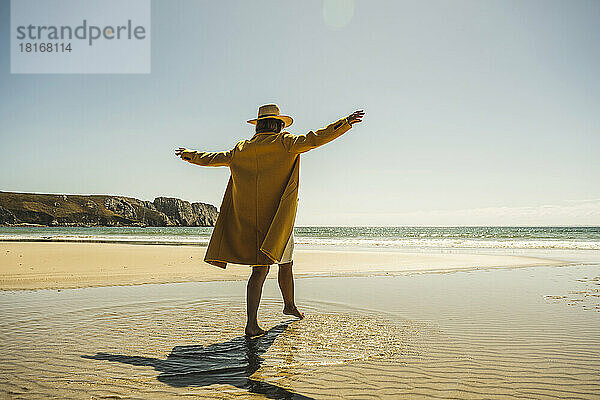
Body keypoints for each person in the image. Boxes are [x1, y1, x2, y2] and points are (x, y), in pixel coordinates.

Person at [176, 104, 364, 337]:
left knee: (267, 268)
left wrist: (189, 155)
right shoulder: (286, 143)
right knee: (278, 265)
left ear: (259, 126)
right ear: (278, 124)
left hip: (250, 221)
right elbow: (316, 138)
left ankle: (285, 307)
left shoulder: (242, 149)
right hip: (278, 221)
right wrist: (344, 123)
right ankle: (254, 324)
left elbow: (214, 158)